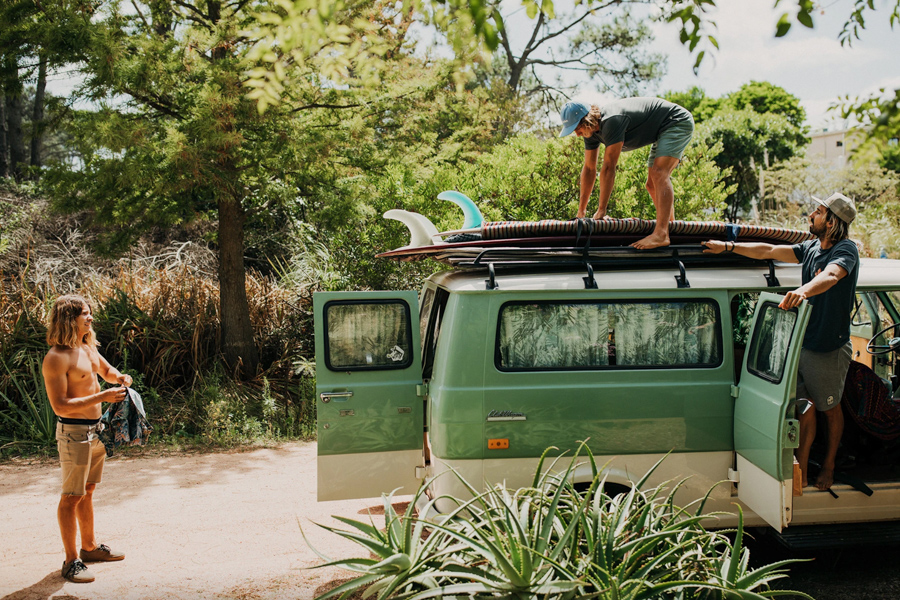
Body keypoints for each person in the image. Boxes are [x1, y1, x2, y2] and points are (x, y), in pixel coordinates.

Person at [703, 193, 859, 491]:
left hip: (827, 348)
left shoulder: (846, 249)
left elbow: (832, 275)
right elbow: (770, 250)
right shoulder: (811, 247)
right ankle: (797, 470)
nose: (811, 214)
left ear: (831, 220)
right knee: (804, 408)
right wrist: (728, 246)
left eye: (818, 210)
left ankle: (828, 465)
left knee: (830, 408)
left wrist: (803, 291)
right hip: (799, 343)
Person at [42, 295, 131, 583]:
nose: (90, 318)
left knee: (88, 491)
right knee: (71, 497)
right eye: (85, 314)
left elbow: (106, 372)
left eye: (90, 313)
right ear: (69, 318)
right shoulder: (55, 357)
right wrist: (104, 396)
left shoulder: (87, 346)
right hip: (73, 433)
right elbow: (60, 406)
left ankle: (90, 548)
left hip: (97, 431)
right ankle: (71, 561)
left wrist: (120, 378)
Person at [558, 97, 694, 249]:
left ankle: (661, 234)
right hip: (661, 130)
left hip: (675, 120)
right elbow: (589, 169)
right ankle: (671, 229)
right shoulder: (590, 133)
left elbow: (609, 167)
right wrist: (581, 213)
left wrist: (601, 211)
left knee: (659, 173)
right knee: (651, 185)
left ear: (586, 120)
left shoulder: (611, 121)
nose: (576, 134)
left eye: (576, 128)